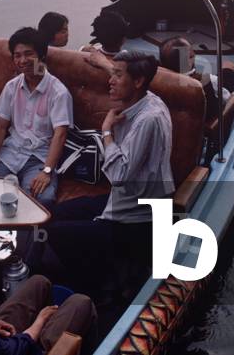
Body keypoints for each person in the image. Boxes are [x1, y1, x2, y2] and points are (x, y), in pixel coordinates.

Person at [47, 50, 173, 297]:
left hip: (136, 218)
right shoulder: (147, 98)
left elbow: (119, 175)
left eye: (117, 75)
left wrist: (106, 132)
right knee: (52, 214)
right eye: (112, 74)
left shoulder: (149, 119)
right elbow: (132, 77)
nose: (110, 81)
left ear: (137, 82)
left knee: (54, 234)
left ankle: (97, 288)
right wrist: (106, 65)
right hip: (123, 199)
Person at [0, 27, 73, 205]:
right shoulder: (12, 87)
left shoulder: (58, 92)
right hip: (10, 153)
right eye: (17, 55)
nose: (22, 60)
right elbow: (0, 126)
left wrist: (47, 171)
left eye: (28, 54)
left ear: (41, 55)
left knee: (42, 200)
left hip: (39, 158)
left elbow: (60, 135)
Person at [159, 36, 231, 118]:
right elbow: (227, 98)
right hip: (212, 119)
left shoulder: (158, 78)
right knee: (228, 66)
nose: (195, 55)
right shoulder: (204, 81)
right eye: (191, 55)